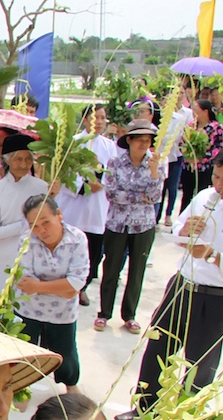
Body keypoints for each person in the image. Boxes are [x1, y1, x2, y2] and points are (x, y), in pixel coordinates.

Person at [117, 146, 223, 420]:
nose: (219, 186)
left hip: (215, 298)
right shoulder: (204, 197)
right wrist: (185, 231)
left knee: (200, 363)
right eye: (216, 177)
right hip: (181, 286)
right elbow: (176, 232)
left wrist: (214, 256)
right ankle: (145, 407)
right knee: (158, 348)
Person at [15, 195, 90, 389]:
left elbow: (76, 283)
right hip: (29, 309)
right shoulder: (26, 241)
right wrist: (62, 287)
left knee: (66, 351)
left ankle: (70, 385)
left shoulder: (77, 239)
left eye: (45, 222)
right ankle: (22, 387)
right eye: (34, 225)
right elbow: (25, 283)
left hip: (62, 312)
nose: (41, 230)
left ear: (59, 214)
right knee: (25, 350)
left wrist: (39, 286)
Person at [95, 119, 162, 334]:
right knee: (111, 267)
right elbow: (112, 193)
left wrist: (152, 174)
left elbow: (154, 196)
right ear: (130, 140)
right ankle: (104, 313)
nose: (143, 145)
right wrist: (140, 196)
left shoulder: (154, 164)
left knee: (137, 271)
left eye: (147, 141)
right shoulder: (115, 163)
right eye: (139, 140)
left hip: (143, 225)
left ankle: (129, 314)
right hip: (117, 223)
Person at [57, 104, 117, 306]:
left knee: (94, 253)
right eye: (95, 117)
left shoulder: (109, 146)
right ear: (85, 120)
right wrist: (84, 185)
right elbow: (64, 175)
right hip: (74, 208)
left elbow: (114, 172)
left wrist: (101, 182)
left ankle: (82, 286)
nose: (99, 121)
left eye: (103, 117)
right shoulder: (74, 144)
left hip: (97, 210)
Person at [0, 133, 49, 292]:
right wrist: (26, 225)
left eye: (28, 159)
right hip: (2, 257)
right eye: (18, 159)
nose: (23, 164)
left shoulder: (42, 188)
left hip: (32, 257)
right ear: (7, 159)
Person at [158, 92, 195, 228]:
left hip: (175, 155)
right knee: (160, 187)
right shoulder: (161, 117)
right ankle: (157, 216)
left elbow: (185, 133)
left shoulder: (182, 116)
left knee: (172, 187)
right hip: (161, 156)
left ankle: (169, 214)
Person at [180, 99, 223, 212]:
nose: (193, 113)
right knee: (186, 195)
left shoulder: (216, 127)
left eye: (196, 110)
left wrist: (200, 159)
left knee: (201, 195)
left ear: (205, 111)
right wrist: (187, 156)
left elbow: (217, 149)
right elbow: (182, 143)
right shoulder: (190, 126)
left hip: (204, 168)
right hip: (188, 167)